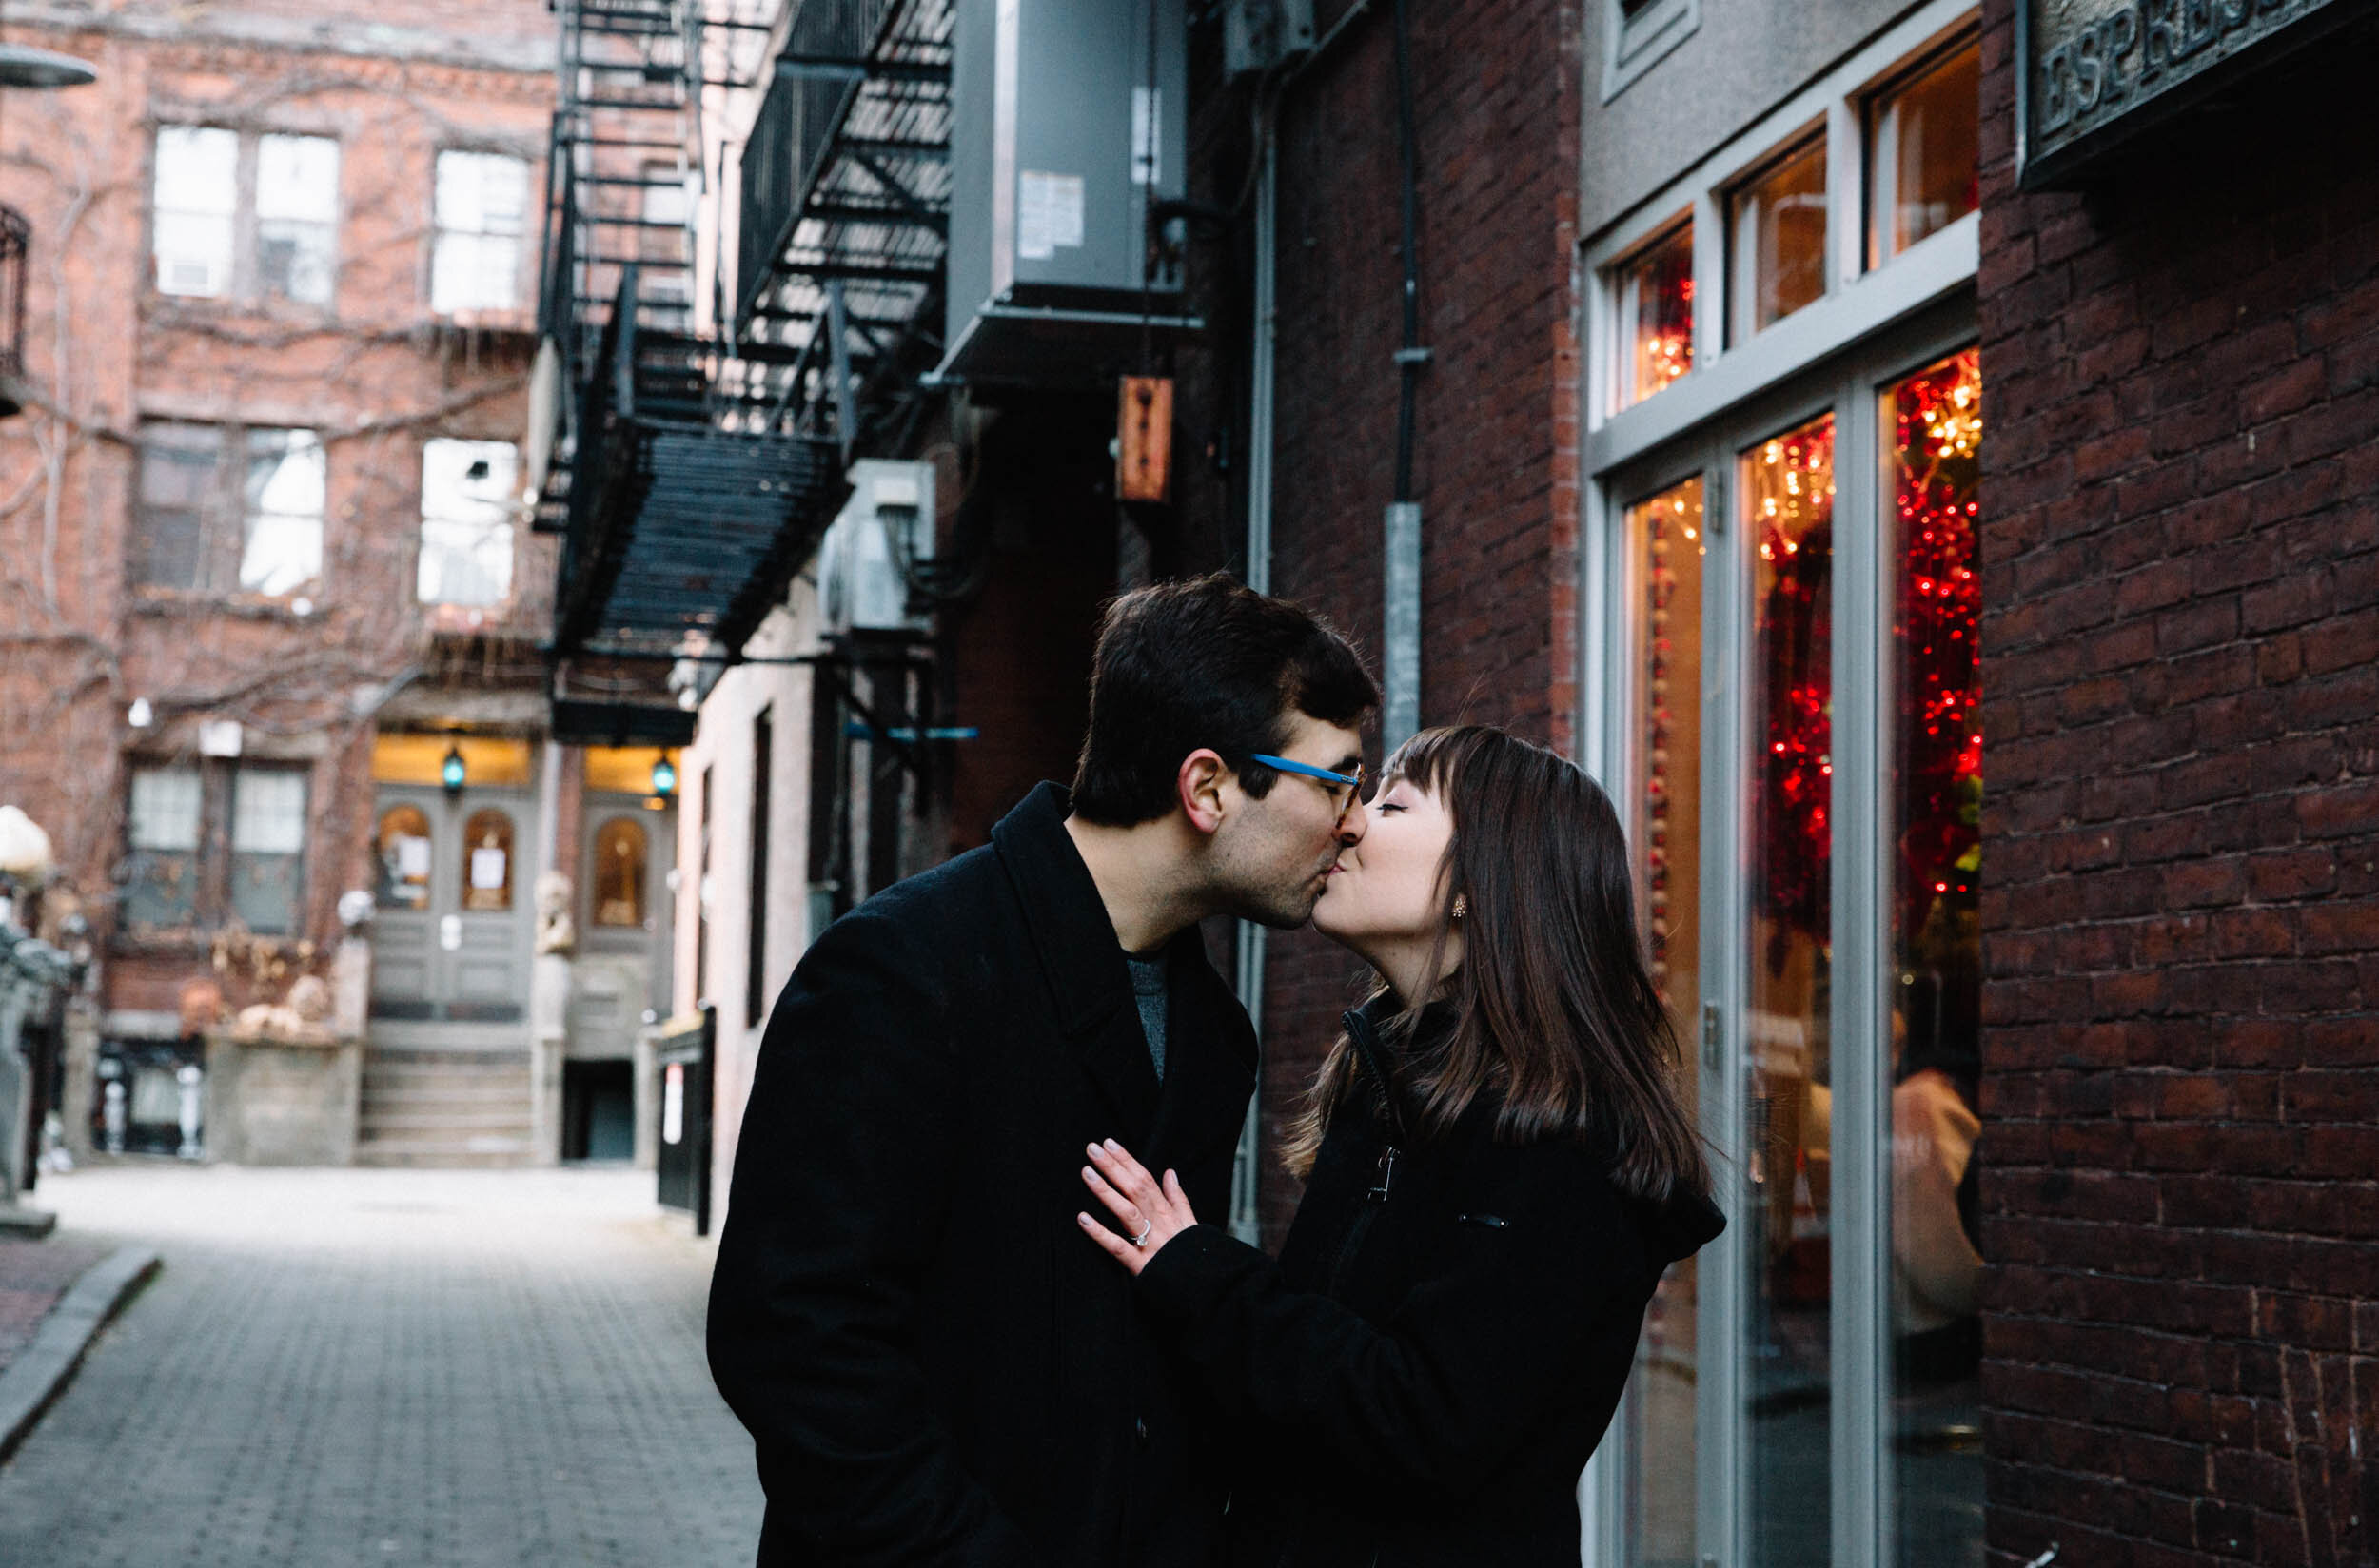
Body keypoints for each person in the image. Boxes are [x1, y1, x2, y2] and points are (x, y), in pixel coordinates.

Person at [706, 574, 1378, 1568]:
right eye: (1337, 780)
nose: (1355, 820)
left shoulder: (1213, 1032)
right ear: (1206, 788)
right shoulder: (902, 969)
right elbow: (795, 1345)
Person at [1075, 724, 1725, 1568]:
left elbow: (1424, 1424)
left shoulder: (1561, 1145)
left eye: (1391, 802)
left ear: (1478, 885)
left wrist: (1196, 1272)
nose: (1349, 821)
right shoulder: (1389, 1090)